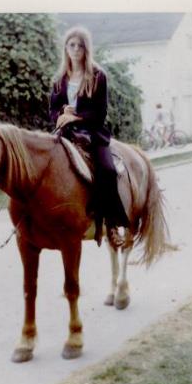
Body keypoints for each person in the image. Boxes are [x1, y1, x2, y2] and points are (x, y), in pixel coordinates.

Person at [49, 26, 129, 247]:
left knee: (107, 170)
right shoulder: (59, 79)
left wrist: (75, 118)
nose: (75, 50)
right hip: (64, 132)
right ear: (66, 48)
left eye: (80, 46)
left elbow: (100, 113)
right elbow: (53, 110)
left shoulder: (97, 76)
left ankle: (112, 225)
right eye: (71, 45)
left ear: (86, 49)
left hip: (92, 133)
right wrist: (61, 116)